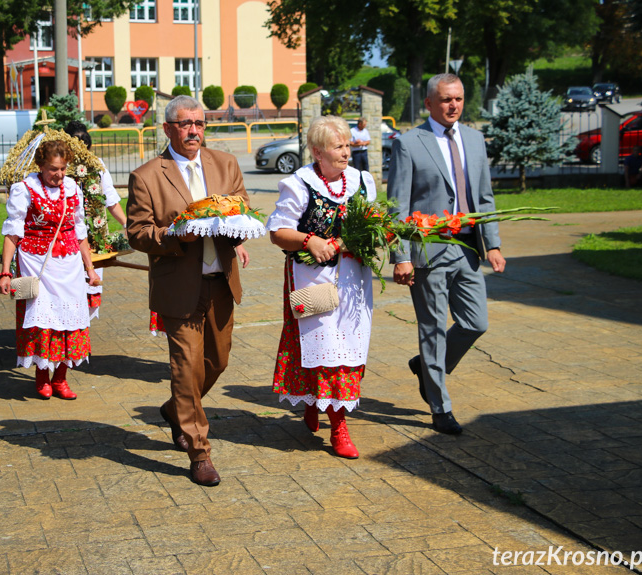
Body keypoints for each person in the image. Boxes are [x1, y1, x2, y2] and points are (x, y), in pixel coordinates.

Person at [126, 95, 250, 486]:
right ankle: (198, 451)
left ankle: (176, 409)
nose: (193, 130)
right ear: (167, 129)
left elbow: (243, 206)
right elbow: (137, 233)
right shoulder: (147, 175)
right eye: (184, 124)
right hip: (178, 286)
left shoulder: (225, 164)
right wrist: (173, 234)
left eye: (198, 123)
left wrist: (240, 231)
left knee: (217, 363)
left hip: (220, 283)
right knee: (186, 368)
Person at [387, 73, 506, 435]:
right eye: (445, 100)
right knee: (433, 329)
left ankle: (426, 367)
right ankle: (440, 406)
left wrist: (494, 243)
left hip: (468, 248)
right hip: (428, 250)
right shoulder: (409, 143)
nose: (453, 105)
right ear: (428, 104)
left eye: (458, 99)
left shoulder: (474, 138)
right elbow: (397, 206)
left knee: (475, 322)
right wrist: (401, 255)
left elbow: (484, 197)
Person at [267, 116, 376, 459]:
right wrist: (310, 240)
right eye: (338, 147)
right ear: (317, 152)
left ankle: (318, 403)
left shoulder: (362, 181)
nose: (346, 152)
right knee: (325, 349)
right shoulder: (300, 184)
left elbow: (376, 222)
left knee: (350, 347)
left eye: (348, 145)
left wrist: (374, 237)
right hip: (312, 280)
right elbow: (277, 231)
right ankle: (339, 428)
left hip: (354, 281)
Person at [0, 139, 101, 400]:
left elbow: (80, 232)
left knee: (72, 322)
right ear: (40, 165)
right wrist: (5, 271)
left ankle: (61, 379)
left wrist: (90, 268)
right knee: (42, 322)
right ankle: (42, 376)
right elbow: (13, 232)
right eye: (54, 169)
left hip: (69, 266)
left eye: (64, 168)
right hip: (36, 262)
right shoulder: (25, 189)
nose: (60, 174)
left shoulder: (72, 188)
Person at [64, 120, 128, 319]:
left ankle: (82, 339)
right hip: (66, 238)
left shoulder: (97, 166)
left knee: (90, 285)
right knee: (68, 291)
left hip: (94, 238)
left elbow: (110, 199)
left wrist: (127, 223)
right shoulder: (60, 168)